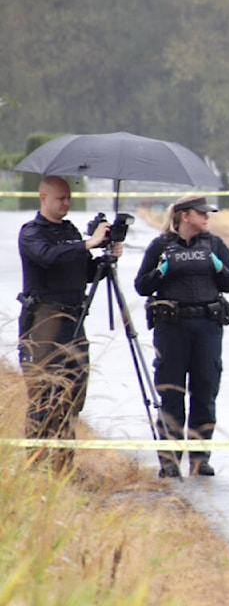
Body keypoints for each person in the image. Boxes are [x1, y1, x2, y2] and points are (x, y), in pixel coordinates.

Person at [17, 175, 122, 472]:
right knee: (44, 397)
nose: (66, 203)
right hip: (43, 322)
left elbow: (83, 271)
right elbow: (48, 258)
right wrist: (87, 243)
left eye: (68, 198)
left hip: (74, 322)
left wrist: (105, 257)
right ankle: (37, 468)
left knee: (72, 395)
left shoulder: (70, 232)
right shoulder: (32, 233)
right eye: (60, 198)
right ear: (43, 198)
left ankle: (63, 468)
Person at [134, 195, 229, 478]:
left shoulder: (215, 244)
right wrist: (162, 270)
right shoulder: (161, 245)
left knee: (205, 392)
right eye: (201, 213)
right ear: (184, 216)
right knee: (171, 393)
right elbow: (142, 286)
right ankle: (169, 461)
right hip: (172, 328)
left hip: (207, 326)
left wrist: (219, 267)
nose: (207, 218)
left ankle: (199, 458)